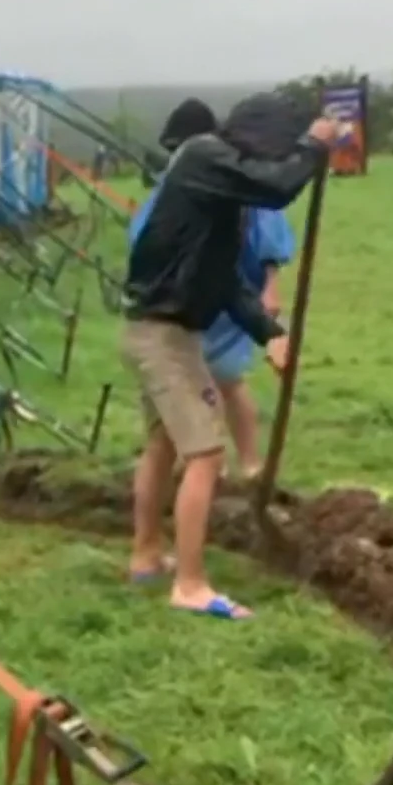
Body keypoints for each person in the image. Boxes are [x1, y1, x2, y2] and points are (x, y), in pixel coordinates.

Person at [121, 94, 338, 621]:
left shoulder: (219, 195)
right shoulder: (202, 155)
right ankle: (190, 585)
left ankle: (147, 555)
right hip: (163, 336)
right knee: (207, 453)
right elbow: (279, 186)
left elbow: (222, 282)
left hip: (163, 330)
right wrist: (315, 145)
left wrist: (271, 334)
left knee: (162, 445)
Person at [131, 102, 297, 479]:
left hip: (231, 296)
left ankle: (249, 462)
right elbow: (145, 242)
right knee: (191, 382)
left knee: (227, 378)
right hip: (179, 301)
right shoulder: (168, 190)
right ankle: (201, 461)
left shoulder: (237, 180)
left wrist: (270, 289)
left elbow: (270, 232)